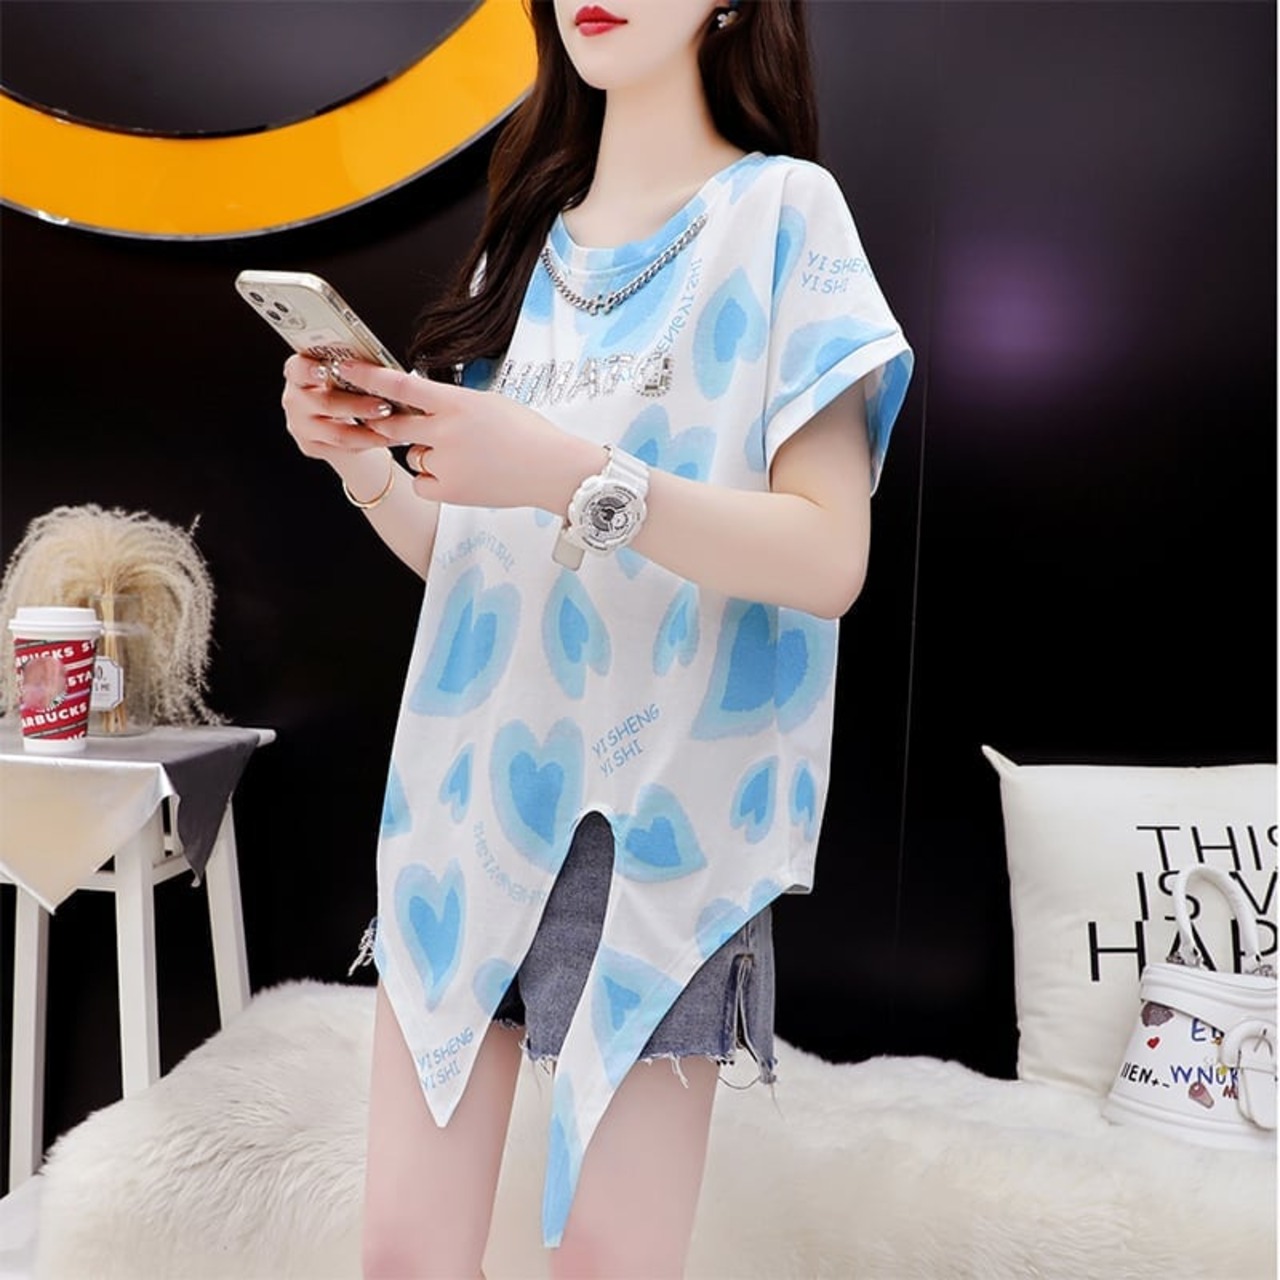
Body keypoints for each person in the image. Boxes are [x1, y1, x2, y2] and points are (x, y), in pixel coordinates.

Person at [280, 1, 913, 1274]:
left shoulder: (784, 216)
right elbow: (476, 567)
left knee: (608, 1264)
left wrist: (565, 470)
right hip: (466, 802)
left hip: (662, 819)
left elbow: (826, 557)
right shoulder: (521, 242)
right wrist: (364, 465)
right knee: (403, 1257)